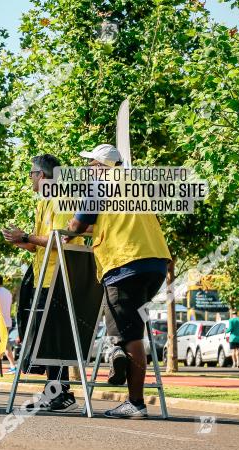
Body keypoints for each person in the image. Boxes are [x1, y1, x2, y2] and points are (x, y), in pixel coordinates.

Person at [66, 144, 172, 419]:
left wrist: (70, 230)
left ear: (101, 166)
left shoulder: (101, 185)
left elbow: (76, 226)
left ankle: (135, 402)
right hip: (156, 263)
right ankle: (117, 352)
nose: (88, 170)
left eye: (91, 165)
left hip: (125, 264)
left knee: (131, 335)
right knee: (129, 327)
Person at [1, 154, 78, 411]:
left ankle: (61, 390)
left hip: (59, 277)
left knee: (54, 335)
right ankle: (54, 389)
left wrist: (26, 236)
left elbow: (60, 240)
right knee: (45, 334)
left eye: (32, 174)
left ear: (42, 176)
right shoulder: (43, 203)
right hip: (42, 275)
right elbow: (41, 245)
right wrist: (22, 241)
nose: (30, 178)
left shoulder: (60, 199)